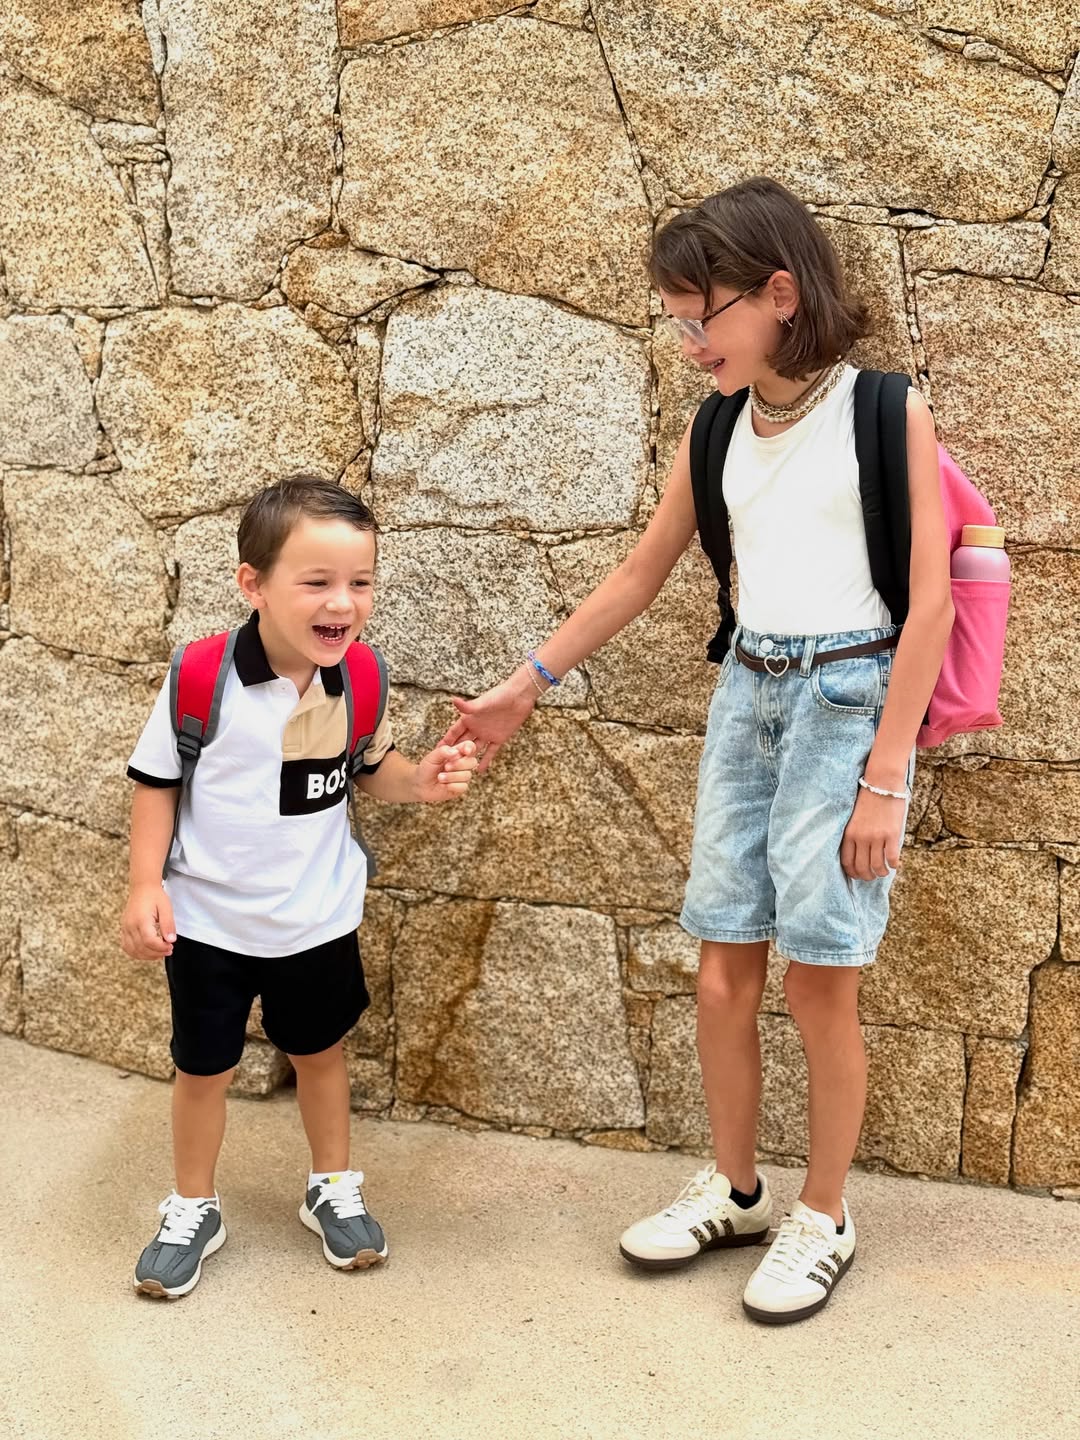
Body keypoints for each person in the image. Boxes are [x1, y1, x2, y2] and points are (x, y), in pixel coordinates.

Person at [447, 177, 953, 1324]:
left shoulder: (885, 412)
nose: (689, 343)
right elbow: (640, 573)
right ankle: (736, 1188)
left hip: (848, 705)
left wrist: (884, 778)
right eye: (676, 322)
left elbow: (929, 606)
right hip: (748, 697)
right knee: (723, 966)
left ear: (780, 294)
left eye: (701, 317)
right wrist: (525, 687)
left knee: (821, 979)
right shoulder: (716, 427)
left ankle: (824, 1214)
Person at [122, 476, 477, 1298]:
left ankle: (331, 1187)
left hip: (317, 920)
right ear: (253, 584)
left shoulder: (361, 675)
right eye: (316, 582)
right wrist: (144, 884)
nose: (342, 603)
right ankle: (193, 1205)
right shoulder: (202, 675)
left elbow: (369, 769)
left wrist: (419, 782)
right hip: (207, 922)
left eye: (360, 581)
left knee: (321, 1055)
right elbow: (156, 782)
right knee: (202, 1067)